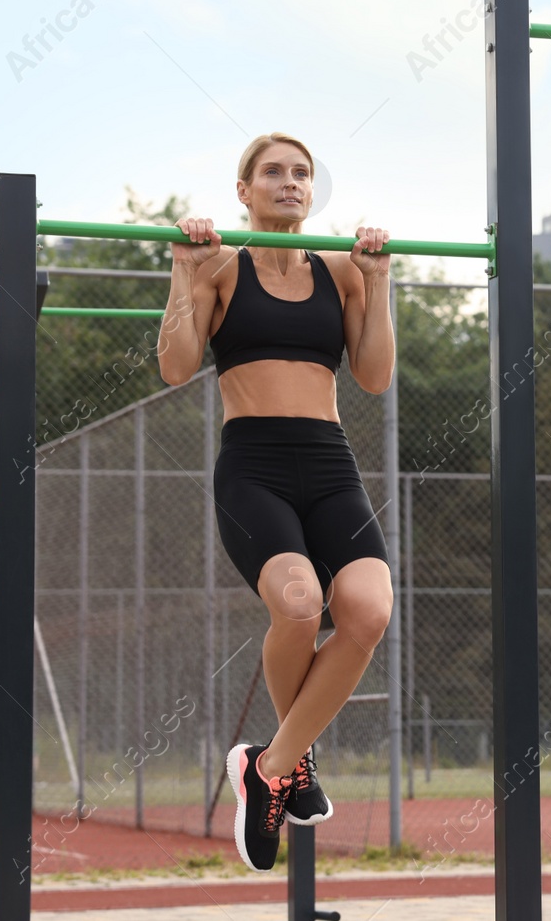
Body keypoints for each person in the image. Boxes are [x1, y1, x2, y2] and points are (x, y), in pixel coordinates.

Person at [157, 132, 394, 873]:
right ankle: (287, 767)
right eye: (273, 172)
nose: (289, 182)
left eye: (301, 173)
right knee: (298, 602)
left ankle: (272, 764)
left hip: (328, 462)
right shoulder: (222, 266)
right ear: (245, 191)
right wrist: (182, 270)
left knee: (367, 608)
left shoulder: (341, 272)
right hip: (253, 465)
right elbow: (174, 366)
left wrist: (380, 280)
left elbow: (376, 376)